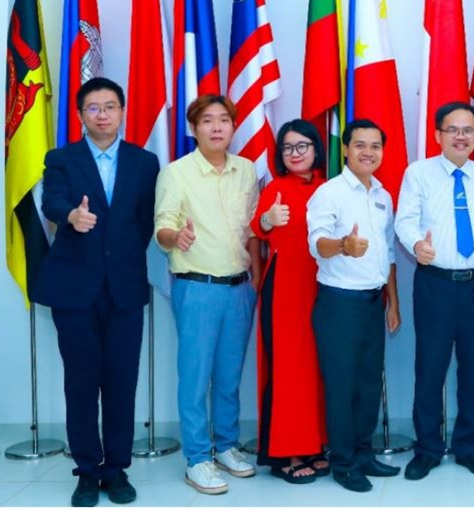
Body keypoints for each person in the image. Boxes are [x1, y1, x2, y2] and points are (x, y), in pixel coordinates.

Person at [34, 77, 159, 507]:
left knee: (122, 382)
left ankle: (116, 469)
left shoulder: (144, 161)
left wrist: (121, 256)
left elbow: (145, 221)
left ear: (122, 111)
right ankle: (87, 471)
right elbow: (52, 201)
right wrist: (71, 216)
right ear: (80, 114)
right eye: (93, 108)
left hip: (124, 288)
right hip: (74, 289)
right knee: (81, 383)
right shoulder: (61, 159)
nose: (102, 115)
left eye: (110, 107)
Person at [154, 95, 262, 495]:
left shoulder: (246, 170)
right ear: (193, 128)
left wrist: (255, 278)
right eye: (207, 121)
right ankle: (198, 458)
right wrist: (175, 237)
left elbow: (252, 230)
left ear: (233, 126)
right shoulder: (176, 173)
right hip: (198, 287)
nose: (216, 127)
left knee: (230, 376)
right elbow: (163, 226)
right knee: (196, 377)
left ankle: (227, 446)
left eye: (224, 120)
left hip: (239, 288)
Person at [395, 102, 474, 481]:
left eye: (468, 130)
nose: (461, 136)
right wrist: (416, 245)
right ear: (438, 135)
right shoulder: (419, 173)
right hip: (435, 284)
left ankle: (469, 447)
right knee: (430, 369)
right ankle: (427, 448)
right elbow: (404, 220)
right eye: (453, 129)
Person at [307, 119, 402, 493]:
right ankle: (343, 462)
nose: (368, 152)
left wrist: (393, 303)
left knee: (368, 383)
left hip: (373, 302)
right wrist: (343, 245)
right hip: (340, 305)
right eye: (360, 145)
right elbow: (317, 244)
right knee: (342, 385)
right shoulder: (329, 193)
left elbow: (389, 253)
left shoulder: (382, 195)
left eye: (375, 146)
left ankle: (363, 454)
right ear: (345, 149)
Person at [250, 120, 329, 483]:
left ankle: (313, 444)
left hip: (322, 286)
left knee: (316, 369)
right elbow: (258, 227)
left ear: (316, 149)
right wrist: (268, 220)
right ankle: (285, 452)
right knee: (289, 369)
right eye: (287, 148)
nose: (295, 154)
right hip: (285, 287)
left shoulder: (330, 187)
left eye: (302, 146)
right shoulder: (276, 188)